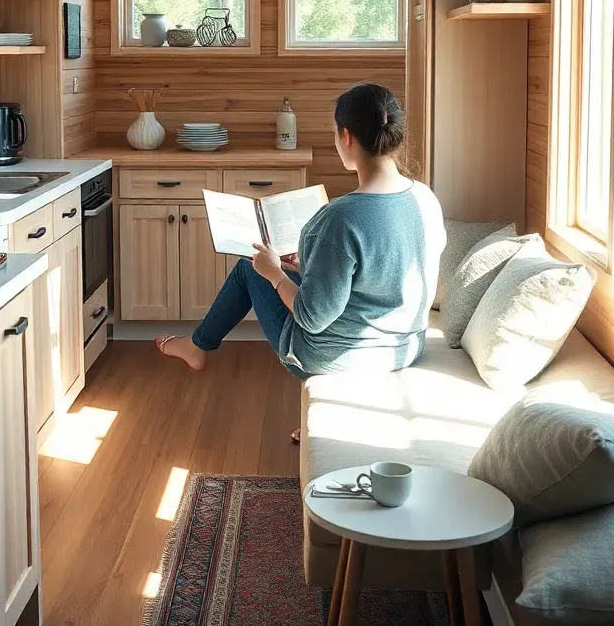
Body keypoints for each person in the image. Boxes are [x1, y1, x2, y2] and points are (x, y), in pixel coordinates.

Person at [156, 84, 446, 401]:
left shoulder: (341, 217)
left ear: (346, 136)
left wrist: (274, 274)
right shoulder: (424, 198)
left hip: (337, 357)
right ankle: (199, 345)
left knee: (248, 269)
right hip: (405, 347)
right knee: (274, 268)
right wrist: (305, 264)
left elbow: (312, 318)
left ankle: (198, 346)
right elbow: (380, 273)